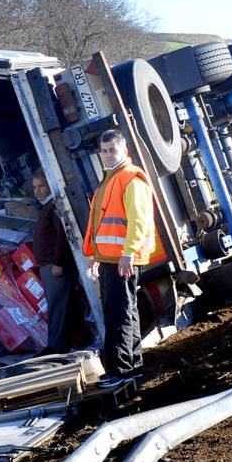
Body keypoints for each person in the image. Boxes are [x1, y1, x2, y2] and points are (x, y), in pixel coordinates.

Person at [83, 130, 155, 380]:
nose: (107, 155)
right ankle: (131, 367)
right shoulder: (111, 179)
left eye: (112, 150)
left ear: (124, 150)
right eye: (104, 151)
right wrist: (94, 255)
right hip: (111, 258)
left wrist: (128, 253)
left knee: (118, 313)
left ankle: (120, 369)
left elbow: (139, 220)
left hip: (121, 260)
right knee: (125, 311)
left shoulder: (130, 179)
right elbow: (100, 223)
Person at [32, 168, 75, 354]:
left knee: (57, 306)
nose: (38, 190)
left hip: (55, 266)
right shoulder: (46, 208)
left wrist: (58, 263)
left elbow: (62, 237)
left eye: (42, 186)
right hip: (49, 265)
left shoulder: (53, 207)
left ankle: (55, 348)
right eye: (35, 187)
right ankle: (62, 344)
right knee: (60, 305)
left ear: (49, 185)